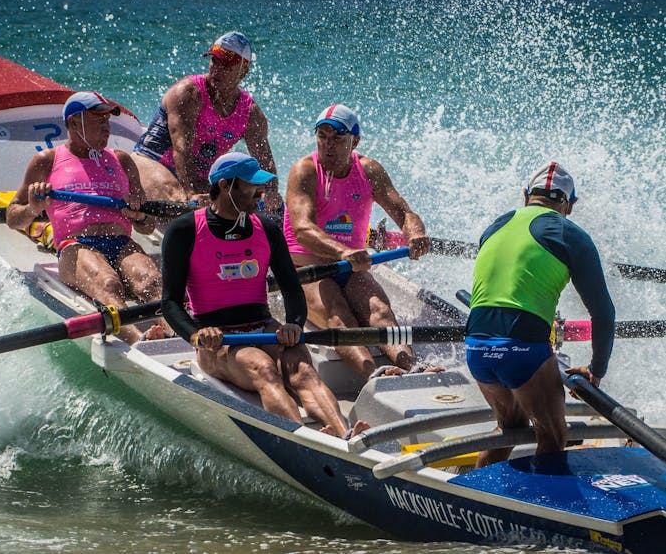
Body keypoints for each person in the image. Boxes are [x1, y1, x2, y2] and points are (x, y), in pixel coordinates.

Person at [161, 151, 366, 438]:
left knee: (304, 371)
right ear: (224, 186)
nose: (260, 192)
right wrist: (196, 335)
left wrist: (294, 322)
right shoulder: (185, 230)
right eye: (252, 185)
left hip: (265, 328)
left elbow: (291, 286)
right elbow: (169, 302)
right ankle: (305, 441)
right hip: (217, 340)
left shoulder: (267, 228)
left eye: (261, 185)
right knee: (264, 368)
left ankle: (346, 436)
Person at [465, 162, 616, 467]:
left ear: (525, 196)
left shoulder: (495, 226)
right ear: (570, 206)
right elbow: (603, 313)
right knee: (553, 436)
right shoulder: (570, 235)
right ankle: (538, 508)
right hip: (522, 348)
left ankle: (479, 498)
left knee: (510, 430)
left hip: (475, 343)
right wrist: (596, 370)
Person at [283, 104, 442, 380]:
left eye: (337, 139)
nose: (328, 146)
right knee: (338, 311)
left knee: (379, 309)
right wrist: (344, 251)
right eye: (322, 136)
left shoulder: (369, 170)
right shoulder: (304, 170)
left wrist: (414, 234)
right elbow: (303, 229)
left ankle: (411, 368)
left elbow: (404, 214)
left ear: (355, 141)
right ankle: (376, 375)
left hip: (349, 268)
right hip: (306, 271)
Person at [6, 91, 171, 344]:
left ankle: (179, 334)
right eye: (98, 120)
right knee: (108, 283)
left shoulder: (122, 160)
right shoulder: (47, 161)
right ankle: (139, 342)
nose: (106, 128)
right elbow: (11, 217)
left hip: (121, 244)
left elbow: (148, 227)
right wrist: (32, 208)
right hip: (76, 247)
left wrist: (138, 216)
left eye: (107, 120)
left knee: (151, 282)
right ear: (73, 123)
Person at [132, 31, 282, 218]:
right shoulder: (188, 93)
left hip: (199, 176)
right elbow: (181, 149)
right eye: (214, 61)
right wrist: (191, 193)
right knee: (185, 201)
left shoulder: (250, 113)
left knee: (239, 202)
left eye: (226, 65)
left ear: (243, 72)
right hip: (150, 162)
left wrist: (271, 192)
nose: (217, 69)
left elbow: (265, 160)